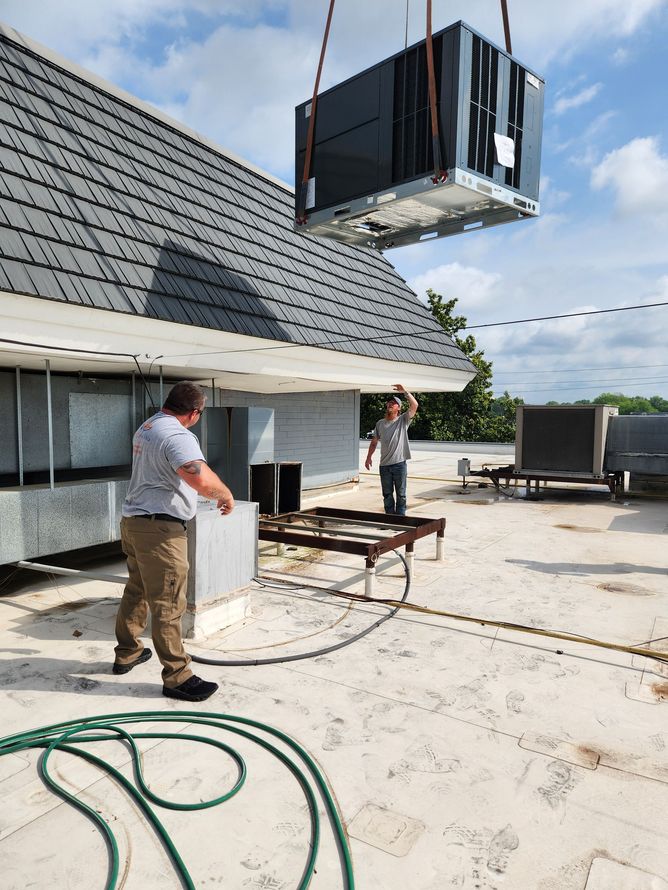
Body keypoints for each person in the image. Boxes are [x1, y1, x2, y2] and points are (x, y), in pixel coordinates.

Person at [113, 381, 235, 703]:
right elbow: (197, 475)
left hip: (135, 522)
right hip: (161, 531)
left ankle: (127, 652)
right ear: (194, 413)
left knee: (137, 588)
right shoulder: (179, 434)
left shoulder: (148, 426)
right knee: (168, 600)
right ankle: (177, 676)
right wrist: (225, 494)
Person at [364, 384, 418, 516]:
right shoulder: (380, 423)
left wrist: (405, 391)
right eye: (389, 403)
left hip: (399, 464)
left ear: (398, 408)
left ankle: (400, 519)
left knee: (401, 494)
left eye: (393, 403)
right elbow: (374, 442)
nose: (390, 405)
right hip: (384, 466)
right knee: (387, 495)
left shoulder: (403, 420)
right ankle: (389, 518)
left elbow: (415, 406)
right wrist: (368, 457)